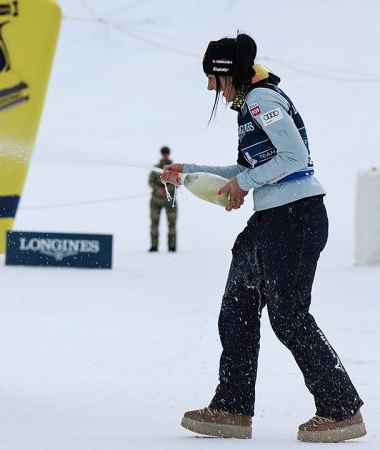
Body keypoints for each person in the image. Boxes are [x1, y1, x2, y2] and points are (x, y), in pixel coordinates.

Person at [161, 33, 366, 443]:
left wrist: (243, 184)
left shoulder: (262, 101)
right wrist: (187, 171)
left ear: (226, 74)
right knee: (237, 306)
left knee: (288, 316)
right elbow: (246, 168)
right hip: (272, 219)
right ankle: (232, 408)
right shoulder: (250, 105)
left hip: (295, 218)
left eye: (211, 78)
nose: (209, 88)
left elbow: (293, 158)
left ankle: (341, 410)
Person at [148, 146, 177, 252]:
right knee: (154, 223)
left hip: (170, 201)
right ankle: (154, 246)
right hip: (156, 200)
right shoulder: (156, 168)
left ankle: (172, 246)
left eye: (166, 153)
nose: (165, 155)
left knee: (172, 224)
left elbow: (177, 182)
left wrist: (167, 189)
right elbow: (150, 181)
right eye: (163, 153)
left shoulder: (174, 168)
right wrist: (158, 189)